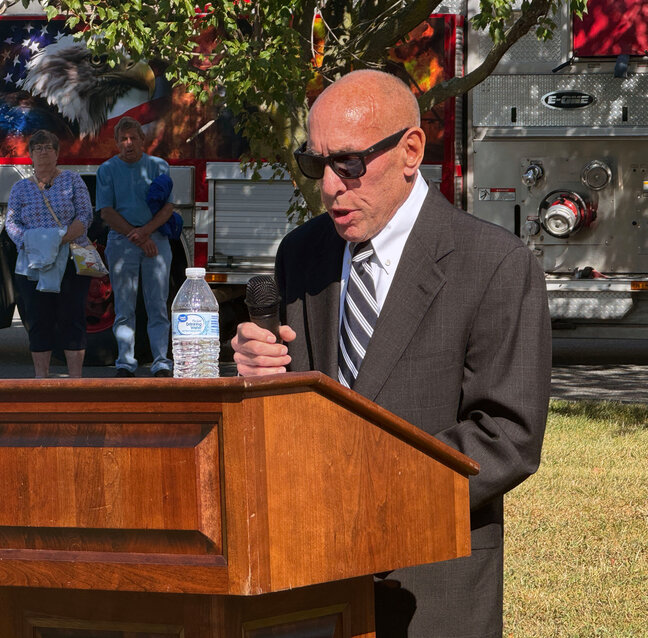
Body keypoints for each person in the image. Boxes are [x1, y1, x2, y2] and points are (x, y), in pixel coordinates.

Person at [232, 70, 551, 638]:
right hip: (311, 584)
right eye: (316, 165)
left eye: (349, 163)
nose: (329, 186)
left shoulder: (495, 264)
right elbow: (294, 418)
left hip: (433, 583)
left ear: (410, 150)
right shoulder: (302, 255)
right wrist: (254, 379)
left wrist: (369, 503)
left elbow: (507, 434)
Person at [5, 129, 94, 378]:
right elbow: (11, 224)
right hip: (33, 264)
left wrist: (56, 241)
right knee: (39, 319)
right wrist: (35, 244)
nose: (43, 151)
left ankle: (75, 379)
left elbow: (85, 215)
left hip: (71, 261)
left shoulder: (73, 181)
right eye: (38, 148)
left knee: (72, 318)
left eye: (48, 147)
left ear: (57, 153)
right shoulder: (20, 188)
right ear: (31, 155)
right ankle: (40, 379)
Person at [96, 116, 174, 377]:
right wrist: (136, 234)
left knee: (158, 305)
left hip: (156, 241)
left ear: (143, 140)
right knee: (124, 307)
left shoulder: (159, 166)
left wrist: (146, 233)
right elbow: (106, 212)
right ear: (117, 143)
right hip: (122, 242)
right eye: (123, 139)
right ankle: (125, 363)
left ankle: (161, 361)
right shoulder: (107, 170)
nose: (128, 144)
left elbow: (168, 207)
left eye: (133, 138)